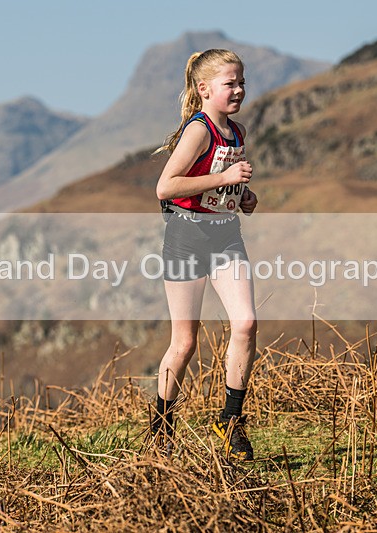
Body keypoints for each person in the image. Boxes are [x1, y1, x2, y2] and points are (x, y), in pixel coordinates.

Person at [152, 49, 258, 460]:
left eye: (242, 82)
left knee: (246, 323)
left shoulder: (238, 131)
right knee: (185, 344)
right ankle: (161, 430)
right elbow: (166, 187)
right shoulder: (198, 131)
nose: (238, 89)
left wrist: (241, 195)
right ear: (204, 89)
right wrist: (227, 177)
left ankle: (231, 422)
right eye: (230, 83)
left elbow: (219, 188)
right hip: (186, 238)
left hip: (226, 236)